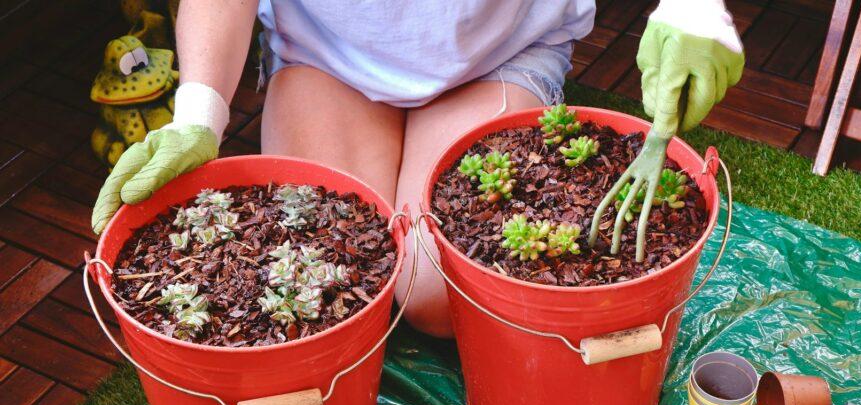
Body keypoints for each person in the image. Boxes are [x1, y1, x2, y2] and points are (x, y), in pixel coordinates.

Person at [91, 0, 744, 338]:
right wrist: (199, 114)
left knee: (433, 293)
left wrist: (695, 8)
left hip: (496, 52)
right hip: (328, 56)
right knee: (326, 277)